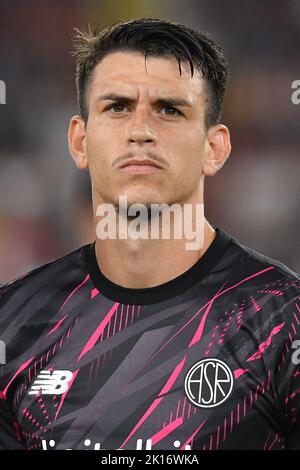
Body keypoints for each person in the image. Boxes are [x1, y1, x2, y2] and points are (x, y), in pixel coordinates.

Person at [0, 18, 299, 451]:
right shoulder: (13, 324)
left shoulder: (281, 320)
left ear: (214, 148)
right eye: (117, 107)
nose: (141, 131)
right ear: (79, 142)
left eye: (170, 109)